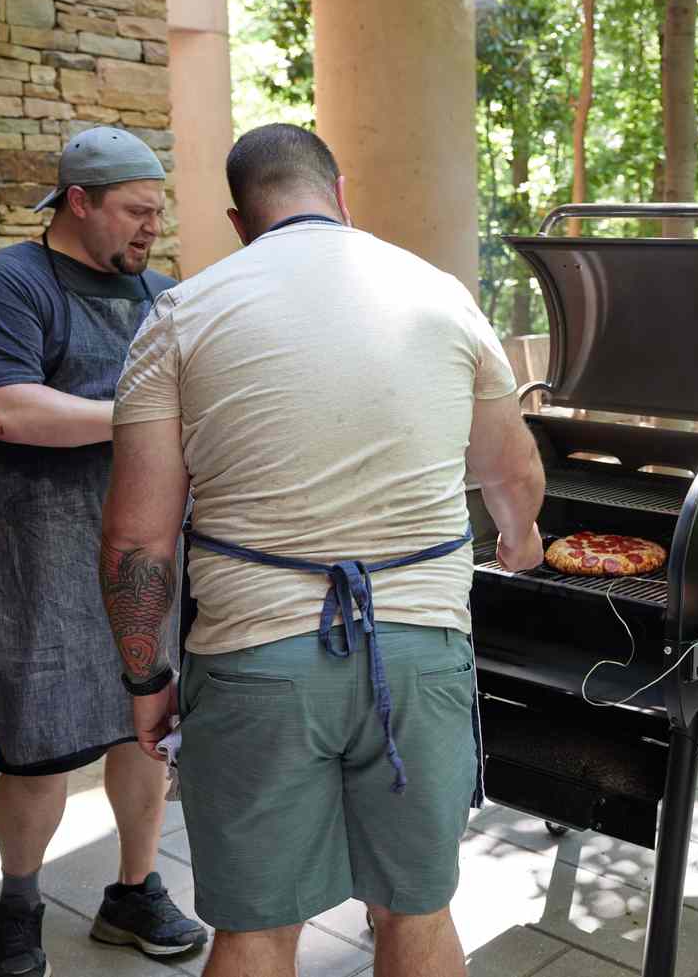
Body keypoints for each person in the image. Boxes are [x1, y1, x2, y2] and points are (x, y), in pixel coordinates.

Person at [99, 122, 546, 977]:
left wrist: (146, 677)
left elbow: (135, 535)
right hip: (420, 658)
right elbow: (512, 469)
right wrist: (520, 543)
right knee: (416, 911)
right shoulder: (439, 292)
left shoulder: (183, 313)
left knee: (257, 927)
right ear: (341, 196)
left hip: (253, 665)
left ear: (239, 221)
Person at [0, 127, 208, 977]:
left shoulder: (162, 296)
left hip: (144, 554)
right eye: (136, 212)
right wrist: (147, 418)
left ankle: (133, 890)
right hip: (37, 555)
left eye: (157, 214)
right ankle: (18, 905)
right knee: (39, 747)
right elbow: (11, 411)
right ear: (79, 201)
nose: (149, 231)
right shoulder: (5, 284)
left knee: (146, 730)